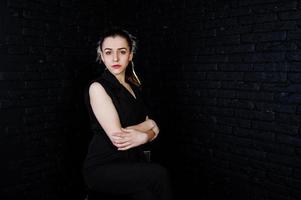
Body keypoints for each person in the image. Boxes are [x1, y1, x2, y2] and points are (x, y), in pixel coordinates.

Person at [82, 28, 173, 200]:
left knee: (148, 195)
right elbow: (119, 139)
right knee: (160, 174)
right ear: (102, 56)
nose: (115, 58)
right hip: (103, 166)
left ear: (130, 55)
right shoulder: (98, 87)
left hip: (131, 163)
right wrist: (150, 127)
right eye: (108, 52)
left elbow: (156, 131)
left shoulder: (135, 87)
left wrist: (146, 136)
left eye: (122, 52)